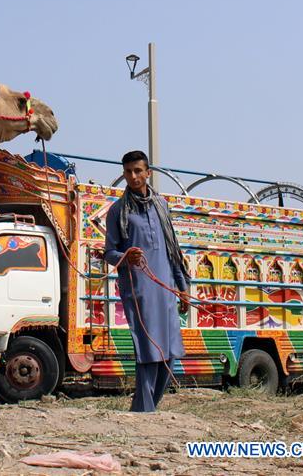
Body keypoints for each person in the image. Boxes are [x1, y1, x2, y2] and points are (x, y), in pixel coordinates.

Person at [104, 150, 189, 412]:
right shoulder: (118, 211)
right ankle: (144, 409)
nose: (134, 176)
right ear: (123, 174)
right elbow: (109, 252)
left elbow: (173, 250)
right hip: (139, 289)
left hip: (165, 288)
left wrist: (183, 287)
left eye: (138, 171)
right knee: (148, 349)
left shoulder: (161, 206)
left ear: (147, 172)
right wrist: (125, 256)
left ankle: (148, 405)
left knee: (170, 350)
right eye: (128, 172)